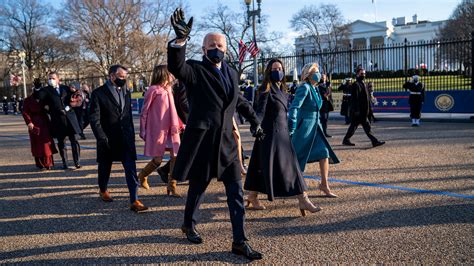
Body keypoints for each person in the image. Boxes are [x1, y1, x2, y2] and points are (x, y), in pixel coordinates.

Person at [168, 8, 264, 260]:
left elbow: (239, 100)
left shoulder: (232, 72)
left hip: (227, 145)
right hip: (203, 143)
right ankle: (188, 223)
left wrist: (255, 121)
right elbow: (176, 67)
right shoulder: (194, 70)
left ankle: (239, 241)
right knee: (198, 188)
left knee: (236, 192)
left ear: (225, 48)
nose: (216, 48)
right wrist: (179, 42)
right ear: (203, 49)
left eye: (219, 44)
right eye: (211, 44)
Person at [244, 58, 321, 216]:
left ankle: (252, 196)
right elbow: (259, 111)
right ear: (269, 71)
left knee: (261, 164)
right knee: (289, 167)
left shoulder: (282, 90)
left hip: (282, 133)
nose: (277, 71)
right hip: (270, 134)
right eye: (274, 68)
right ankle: (303, 199)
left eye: (280, 68)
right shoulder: (266, 89)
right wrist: (255, 125)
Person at [89, 64, 148, 212]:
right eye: (121, 77)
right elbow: (94, 118)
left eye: (125, 77)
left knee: (131, 168)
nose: (124, 79)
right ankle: (103, 189)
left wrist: (132, 135)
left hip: (126, 137)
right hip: (107, 138)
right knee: (105, 167)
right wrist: (101, 137)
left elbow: (126, 115)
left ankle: (134, 200)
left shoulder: (126, 92)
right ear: (112, 76)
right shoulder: (98, 93)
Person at [289, 63, 340, 198]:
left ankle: (324, 184)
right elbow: (294, 107)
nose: (319, 74)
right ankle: (288, 185)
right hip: (304, 128)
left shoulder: (315, 88)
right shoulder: (304, 88)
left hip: (316, 127)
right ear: (308, 74)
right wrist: (292, 125)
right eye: (316, 72)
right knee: (296, 158)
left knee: (324, 153)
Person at [138, 65, 184, 197]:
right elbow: (144, 112)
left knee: (175, 156)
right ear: (163, 74)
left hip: (172, 128)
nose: (172, 75)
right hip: (158, 129)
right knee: (157, 160)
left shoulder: (169, 89)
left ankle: (172, 185)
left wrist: (181, 123)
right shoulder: (153, 90)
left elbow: (172, 110)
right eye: (170, 73)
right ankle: (142, 175)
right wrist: (143, 130)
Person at [39, 71, 82, 169]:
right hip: (57, 119)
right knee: (62, 143)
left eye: (53, 78)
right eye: (49, 78)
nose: (51, 80)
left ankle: (77, 162)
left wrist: (71, 106)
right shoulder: (46, 90)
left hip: (70, 118)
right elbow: (41, 100)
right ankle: (65, 163)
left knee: (74, 141)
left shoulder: (66, 88)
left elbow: (78, 97)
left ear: (58, 79)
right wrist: (51, 110)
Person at [342, 67, 385, 147]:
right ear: (357, 74)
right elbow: (355, 99)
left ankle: (346, 139)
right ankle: (374, 141)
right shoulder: (356, 84)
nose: (363, 75)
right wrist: (357, 110)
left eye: (364, 73)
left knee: (353, 126)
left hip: (364, 110)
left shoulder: (363, 83)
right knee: (366, 127)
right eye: (362, 73)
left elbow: (367, 97)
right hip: (360, 111)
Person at [156, 80, 189, 183]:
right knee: (186, 151)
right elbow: (183, 103)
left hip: (181, 122)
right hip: (183, 122)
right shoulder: (184, 83)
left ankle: (165, 170)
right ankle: (165, 171)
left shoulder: (180, 83)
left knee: (185, 151)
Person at [21, 84, 58, 170]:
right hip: (34, 123)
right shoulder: (27, 100)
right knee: (37, 144)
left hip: (45, 123)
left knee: (46, 144)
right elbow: (25, 112)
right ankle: (40, 164)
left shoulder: (44, 99)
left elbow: (52, 109)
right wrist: (29, 122)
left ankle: (48, 163)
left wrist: (48, 108)